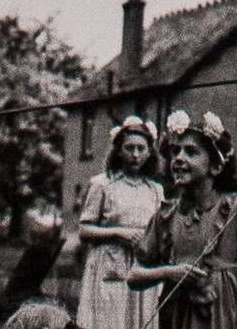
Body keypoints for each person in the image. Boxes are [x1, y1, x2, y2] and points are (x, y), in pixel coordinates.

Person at [127, 110, 237, 329]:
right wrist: (168, 272)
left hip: (220, 315)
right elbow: (134, 276)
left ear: (216, 166)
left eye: (191, 152)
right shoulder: (166, 214)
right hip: (175, 314)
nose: (179, 159)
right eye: (175, 152)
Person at [76, 116, 164, 329]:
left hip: (143, 267)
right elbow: (84, 230)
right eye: (129, 148)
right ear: (118, 150)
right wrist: (117, 233)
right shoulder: (102, 184)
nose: (135, 155)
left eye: (141, 149)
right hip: (109, 265)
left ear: (149, 152)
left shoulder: (155, 190)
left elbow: (161, 232)